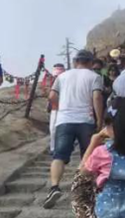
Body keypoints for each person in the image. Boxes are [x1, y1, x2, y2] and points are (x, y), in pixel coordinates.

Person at [44, 50, 104, 209]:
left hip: (64, 120)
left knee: (59, 156)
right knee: (88, 156)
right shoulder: (95, 77)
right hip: (86, 121)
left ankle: (54, 187)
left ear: (75, 62)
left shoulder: (62, 76)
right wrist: (99, 120)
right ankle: (87, 190)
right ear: (90, 62)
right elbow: (97, 97)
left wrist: (62, 107)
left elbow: (51, 97)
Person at [48, 63, 66, 154]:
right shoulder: (52, 81)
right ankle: (53, 148)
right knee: (53, 129)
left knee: (62, 129)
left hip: (64, 108)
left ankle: (60, 147)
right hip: (55, 108)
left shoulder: (66, 82)